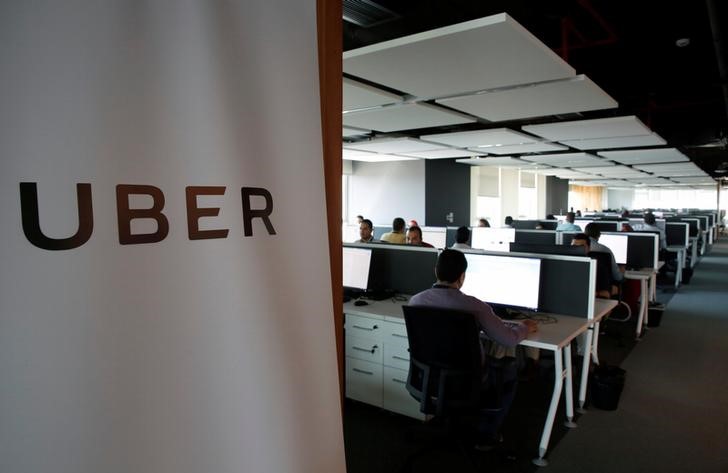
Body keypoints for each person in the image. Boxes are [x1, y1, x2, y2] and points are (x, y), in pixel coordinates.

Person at [408, 249, 537, 449]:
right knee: (510, 369)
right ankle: (487, 433)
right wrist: (524, 326)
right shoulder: (475, 306)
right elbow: (509, 340)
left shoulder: (416, 301)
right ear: (462, 277)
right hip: (469, 381)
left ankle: (446, 419)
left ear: (436, 271)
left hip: (428, 378)